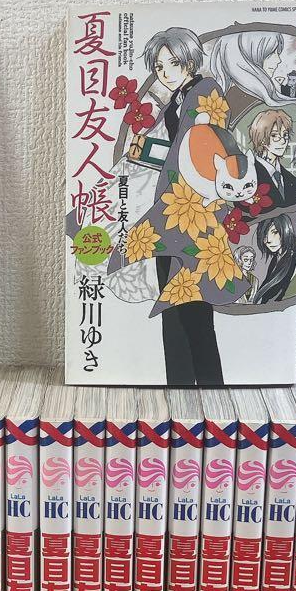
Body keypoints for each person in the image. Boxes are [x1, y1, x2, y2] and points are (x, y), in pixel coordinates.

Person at [114, 27, 226, 385]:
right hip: (174, 211)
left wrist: (151, 150)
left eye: (173, 63)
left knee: (191, 309)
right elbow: (178, 154)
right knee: (176, 308)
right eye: (159, 66)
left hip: (193, 216)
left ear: (190, 60)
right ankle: (182, 382)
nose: (165, 72)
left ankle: (206, 383)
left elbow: (198, 152)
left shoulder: (204, 92)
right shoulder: (179, 98)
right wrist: (146, 151)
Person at [248, 109, 296, 207]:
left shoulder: (290, 179)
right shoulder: (249, 173)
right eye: (274, 135)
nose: (282, 141)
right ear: (262, 139)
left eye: (285, 135)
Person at [253, 214, 296, 304]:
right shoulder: (276, 258)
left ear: (287, 230)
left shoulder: (295, 257)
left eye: (275, 232)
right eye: (265, 235)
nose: (268, 240)